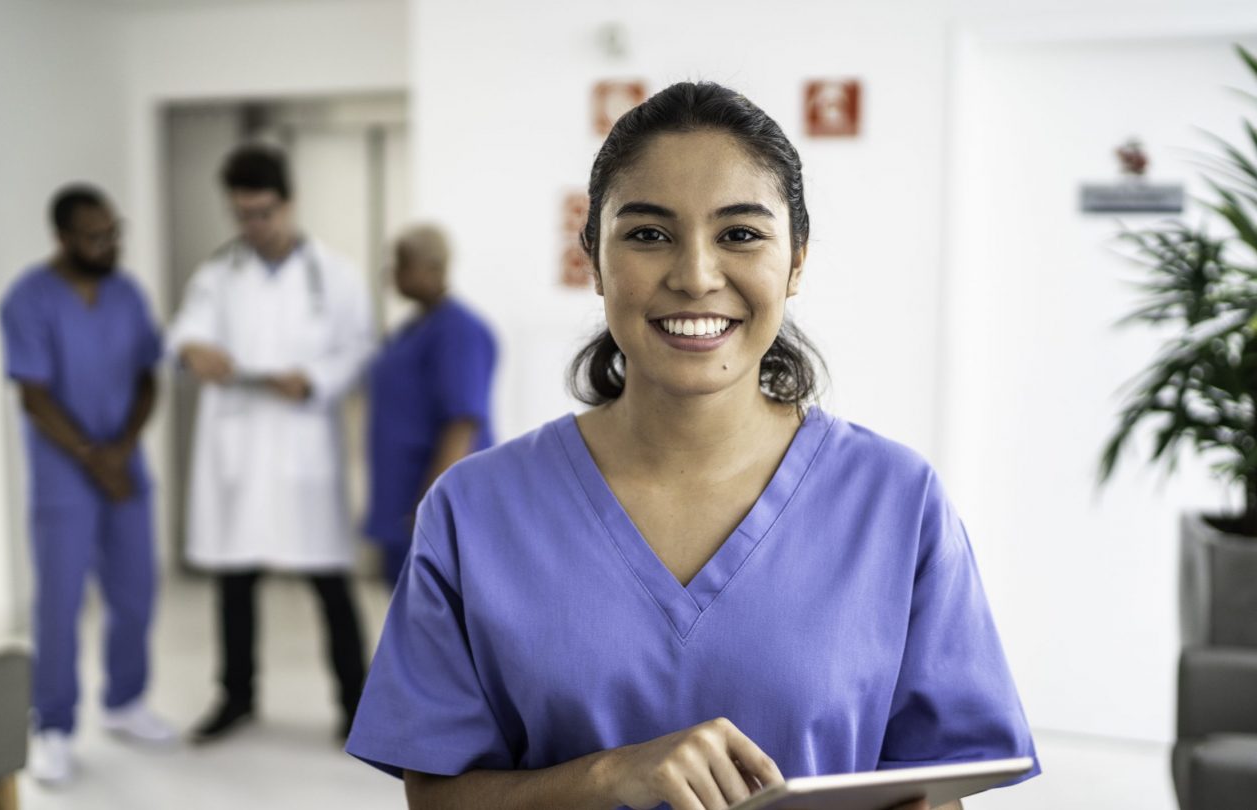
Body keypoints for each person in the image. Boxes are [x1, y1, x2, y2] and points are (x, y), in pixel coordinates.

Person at [345, 82, 1039, 810]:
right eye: (649, 235)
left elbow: (934, 788)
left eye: (740, 234)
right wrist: (610, 776)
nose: (696, 277)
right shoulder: (474, 509)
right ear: (594, 260)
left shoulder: (897, 502)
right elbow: (437, 798)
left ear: (797, 261)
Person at [168, 144, 374, 743]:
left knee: (330, 583)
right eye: (242, 215)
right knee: (234, 581)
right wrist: (192, 351)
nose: (253, 226)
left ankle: (357, 707)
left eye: (263, 213)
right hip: (239, 451)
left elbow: (360, 348)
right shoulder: (217, 275)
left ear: (289, 203)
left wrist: (314, 380)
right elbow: (184, 334)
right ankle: (236, 697)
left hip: (303, 443)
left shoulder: (334, 274)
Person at [0, 185, 176, 786]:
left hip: (124, 470)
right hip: (63, 477)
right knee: (60, 601)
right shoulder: (28, 298)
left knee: (136, 590)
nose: (109, 245)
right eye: (95, 237)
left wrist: (121, 449)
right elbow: (33, 395)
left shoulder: (127, 294)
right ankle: (53, 725)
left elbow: (149, 375)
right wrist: (92, 457)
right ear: (63, 238)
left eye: (114, 232)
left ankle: (125, 701)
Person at [365, 224, 498, 587]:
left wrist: (432, 506)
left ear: (434, 267)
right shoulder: (412, 329)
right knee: (404, 609)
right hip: (400, 501)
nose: (392, 272)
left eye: (402, 263)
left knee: (437, 610)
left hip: (431, 506)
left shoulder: (458, 331)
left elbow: (462, 423)